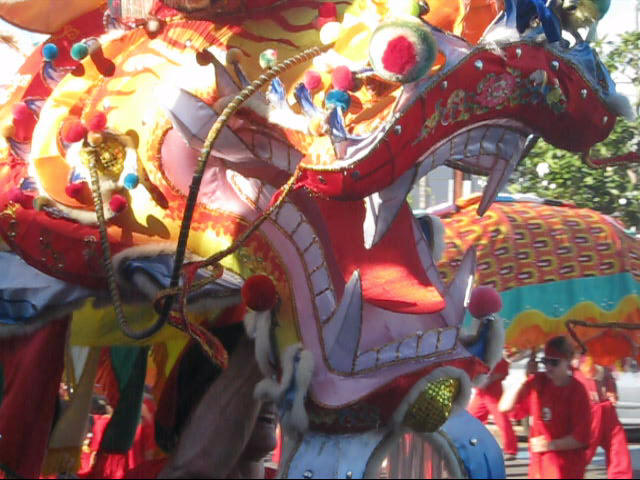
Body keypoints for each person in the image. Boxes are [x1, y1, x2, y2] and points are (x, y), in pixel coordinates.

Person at [499, 336, 592, 479]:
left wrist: (550, 445)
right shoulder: (538, 382)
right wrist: (523, 378)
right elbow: (504, 407)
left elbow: (581, 438)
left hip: (567, 468)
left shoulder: (577, 391)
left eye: (554, 362)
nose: (548, 367)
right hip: (539, 467)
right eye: (545, 361)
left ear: (567, 361)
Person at [573, 354, 633, 479]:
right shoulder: (577, 344)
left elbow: (608, 371)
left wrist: (611, 387)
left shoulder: (607, 343)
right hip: (589, 408)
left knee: (618, 447)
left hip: (606, 408)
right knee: (582, 453)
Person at [468, 356, 518, 461]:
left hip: (494, 393)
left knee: (502, 420)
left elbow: (504, 369)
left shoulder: (495, 353)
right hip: (481, 394)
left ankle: (510, 450)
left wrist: (490, 379)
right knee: (469, 420)